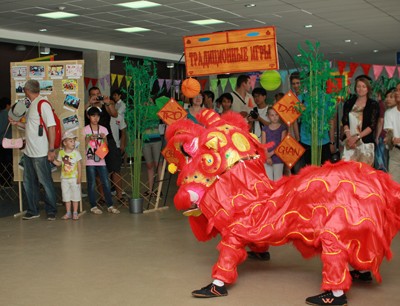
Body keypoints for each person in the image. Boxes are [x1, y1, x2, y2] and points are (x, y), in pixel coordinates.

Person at [9, 80, 57, 220]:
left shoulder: (43, 104)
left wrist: (51, 149)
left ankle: (51, 210)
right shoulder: (31, 106)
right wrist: (18, 123)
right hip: (29, 152)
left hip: (41, 152)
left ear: (26, 90)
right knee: (29, 182)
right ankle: (33, 210)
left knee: (45, 181)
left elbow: (51, 127)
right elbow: (32, 127)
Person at [86, 87, 122, 206]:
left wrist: (108, 103)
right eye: (93, 95)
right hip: (94, 143)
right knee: (98, 171)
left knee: (115, 168)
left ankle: (119, 196)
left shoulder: (106, 105)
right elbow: (79, 116)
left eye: (98, 94)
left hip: (107, 141)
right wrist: (88, 103)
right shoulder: (88, 109)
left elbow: (115, 114)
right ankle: (102, 197)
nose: (96, 97)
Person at [342, 76, 379, 166]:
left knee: (364, 174)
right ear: (355, 88)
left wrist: (357, 138)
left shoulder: (373, 104)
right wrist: (349, 138)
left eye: (363, 86)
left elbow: (372, 125)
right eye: (358, 86)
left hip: (365, 144)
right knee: (347, 172)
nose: (361, 89)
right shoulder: (349, 103)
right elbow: (345, 121)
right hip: (349, 142)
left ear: (368, 89)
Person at [53, 131, 82, 220]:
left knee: (75, 195)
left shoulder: (76, 153)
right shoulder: (61, 153)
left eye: (73, 141)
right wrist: (52, 159)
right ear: (65, 143)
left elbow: (79, 165)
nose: (73, 143)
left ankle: (75, 212)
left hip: (74, 178)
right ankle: (68, 212)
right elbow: (58, 164)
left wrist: (79, 177)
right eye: (70, 141)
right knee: (66, 196)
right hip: (64, 178)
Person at [110, 89, 127, 203]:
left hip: (115, 144)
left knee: (117, 169)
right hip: (105, 145)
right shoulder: (102, 116)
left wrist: (122, 144)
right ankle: (106, 194)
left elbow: (123, 131)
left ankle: (119, 194)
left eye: (116, 95)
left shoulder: (121, 106)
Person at [261, 107, 287, 181]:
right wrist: (267, 157)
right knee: (269, 181)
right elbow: (263, 145)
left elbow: (282, 144)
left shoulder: (282, 128)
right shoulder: (265, 129)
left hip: (278, 158)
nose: (275, 117)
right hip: (266, 158)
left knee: (277, 181)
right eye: (272, 115)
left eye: (276, 115)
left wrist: (271, 154)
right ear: (268, 116)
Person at [384, 82, 400, 183]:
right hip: (395, 153)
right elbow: (389, 134)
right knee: (394, 186)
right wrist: (388, 140)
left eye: (399, 91)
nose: (397, 93)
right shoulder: (389, 113)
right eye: (397, 90)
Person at [0, 97, 13, 188]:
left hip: (2, 142)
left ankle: (4, 182)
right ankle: (6, 182)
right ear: (8, 105)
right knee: (7, 162)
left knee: (3, 162)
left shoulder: (2, 114)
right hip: (7, 142)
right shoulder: (6, 114)